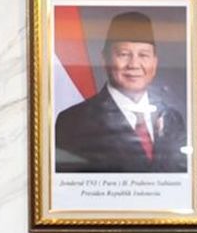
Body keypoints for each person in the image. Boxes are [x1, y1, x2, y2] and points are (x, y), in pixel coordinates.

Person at [54, 11, 188, 173]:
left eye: (143, 55)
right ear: (105, 59)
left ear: (154, 62)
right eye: (124, 54)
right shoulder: (73, 122)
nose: (134, 64)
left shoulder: (172, 119)